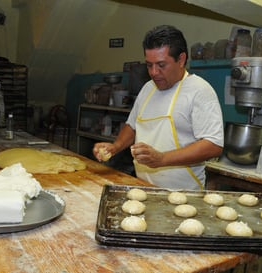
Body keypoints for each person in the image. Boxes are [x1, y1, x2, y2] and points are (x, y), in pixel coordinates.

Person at [93, 25, 224, 190]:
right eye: (149, 65)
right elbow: (132, 125)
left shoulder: (200, 91)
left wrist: (162, 159)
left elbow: (213, 145)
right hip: (143, 187)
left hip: (182, 194)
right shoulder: (148, 88)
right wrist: (115, 147)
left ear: (181, 59)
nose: (154, 72)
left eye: (161, 65)